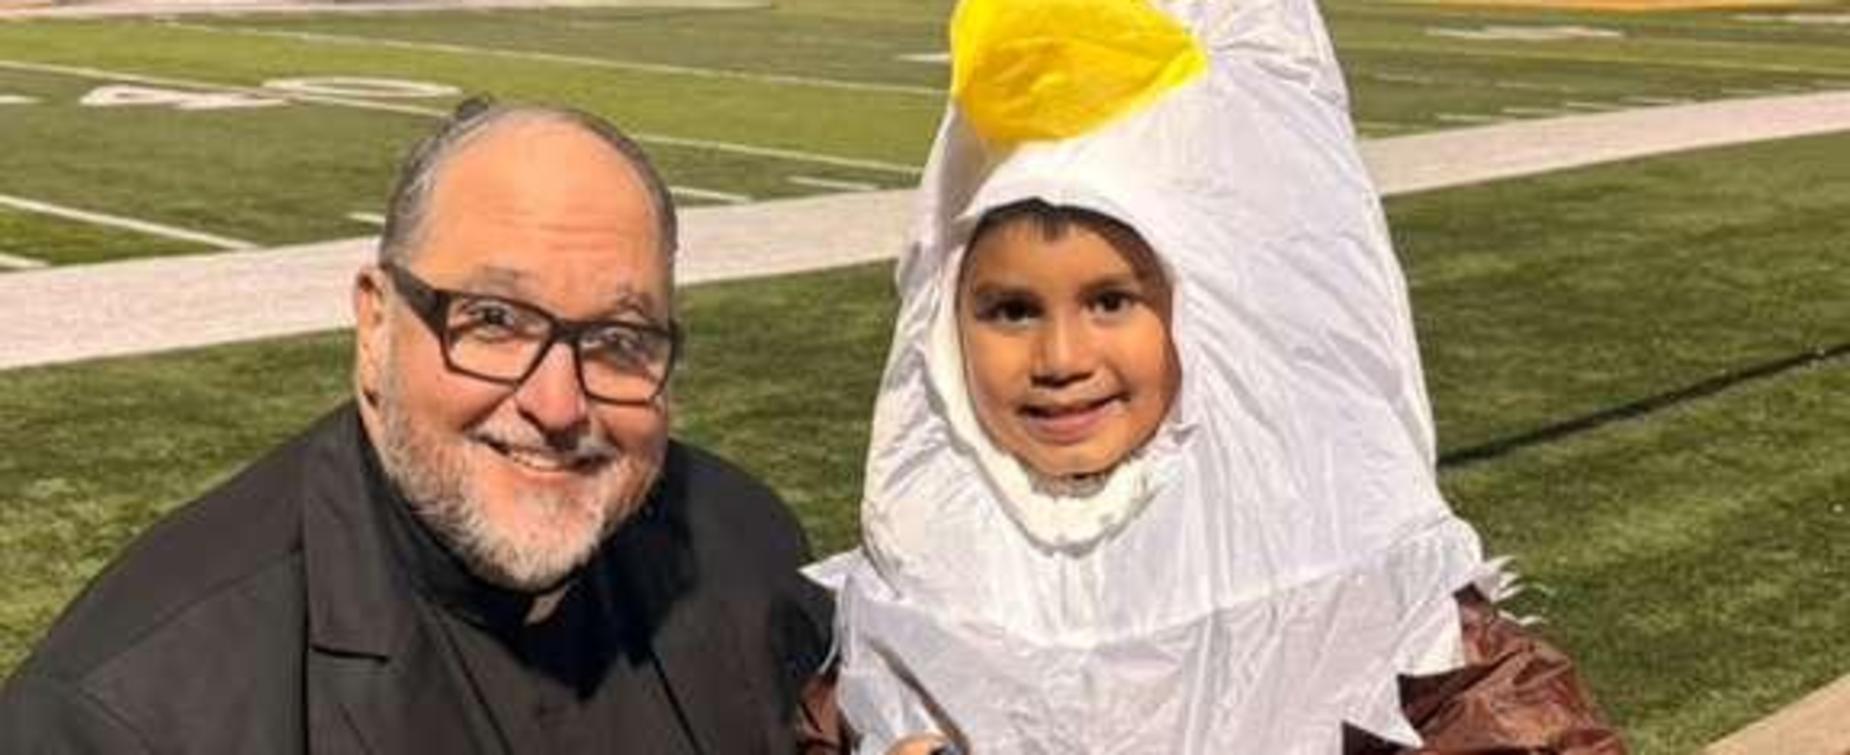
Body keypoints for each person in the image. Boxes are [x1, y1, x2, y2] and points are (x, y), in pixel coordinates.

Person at [814, 0, 1627, 751]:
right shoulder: (926, 557)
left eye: (1110, 301)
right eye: (1011, 310)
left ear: (1212, 314)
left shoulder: (1344, 556)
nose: (1061, 361)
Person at [0, 99, 833, 753]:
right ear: (375, 325)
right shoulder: (134, 712)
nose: (556, 404)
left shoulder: (748, 548)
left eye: (618, 340)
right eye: (495, 320)